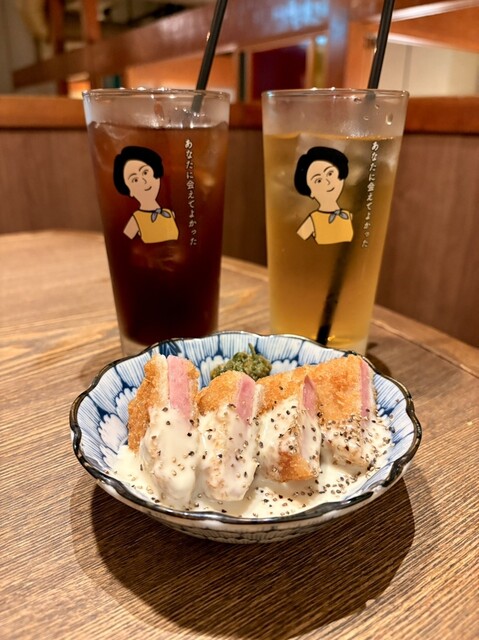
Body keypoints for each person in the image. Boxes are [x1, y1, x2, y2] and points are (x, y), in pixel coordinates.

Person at [113, 146, 179, 244]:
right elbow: (123, 242)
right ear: (129, 190)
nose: (144, 181)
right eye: (135, 179)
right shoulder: (136, 219)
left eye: (145, 172)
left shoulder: (169, 214)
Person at [294, 146, 353, 245]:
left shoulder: (348, 216)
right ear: (310, 191)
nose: (328, 182)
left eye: (330, 173)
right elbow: (295, 242)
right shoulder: (313, 220)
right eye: (318, 180)